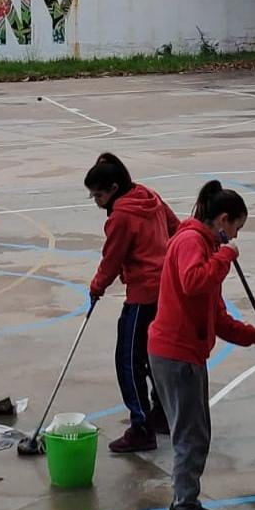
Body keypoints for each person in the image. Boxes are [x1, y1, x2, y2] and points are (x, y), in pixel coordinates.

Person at [147, 181, 255, 510]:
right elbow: (192, 282)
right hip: (176, 354)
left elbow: (216, 316)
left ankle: (182, 503)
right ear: (222, 220)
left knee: (195, 434)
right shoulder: (192, 244)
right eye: (235, 229)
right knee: (190, 439)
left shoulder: (204, 247)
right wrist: (225, 258)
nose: (235, 238)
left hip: (187, 353)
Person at [85, 153, 179, 453]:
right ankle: (163, 414)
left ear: (113, 188)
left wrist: (97, 286)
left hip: (143, 295)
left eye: (98, 195)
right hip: (165, 290)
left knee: (128, 360)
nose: (96, 201)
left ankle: (142, 427)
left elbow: (111, 259)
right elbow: (175, 227)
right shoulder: (148, 196)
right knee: (155, 356)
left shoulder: (121, 216)